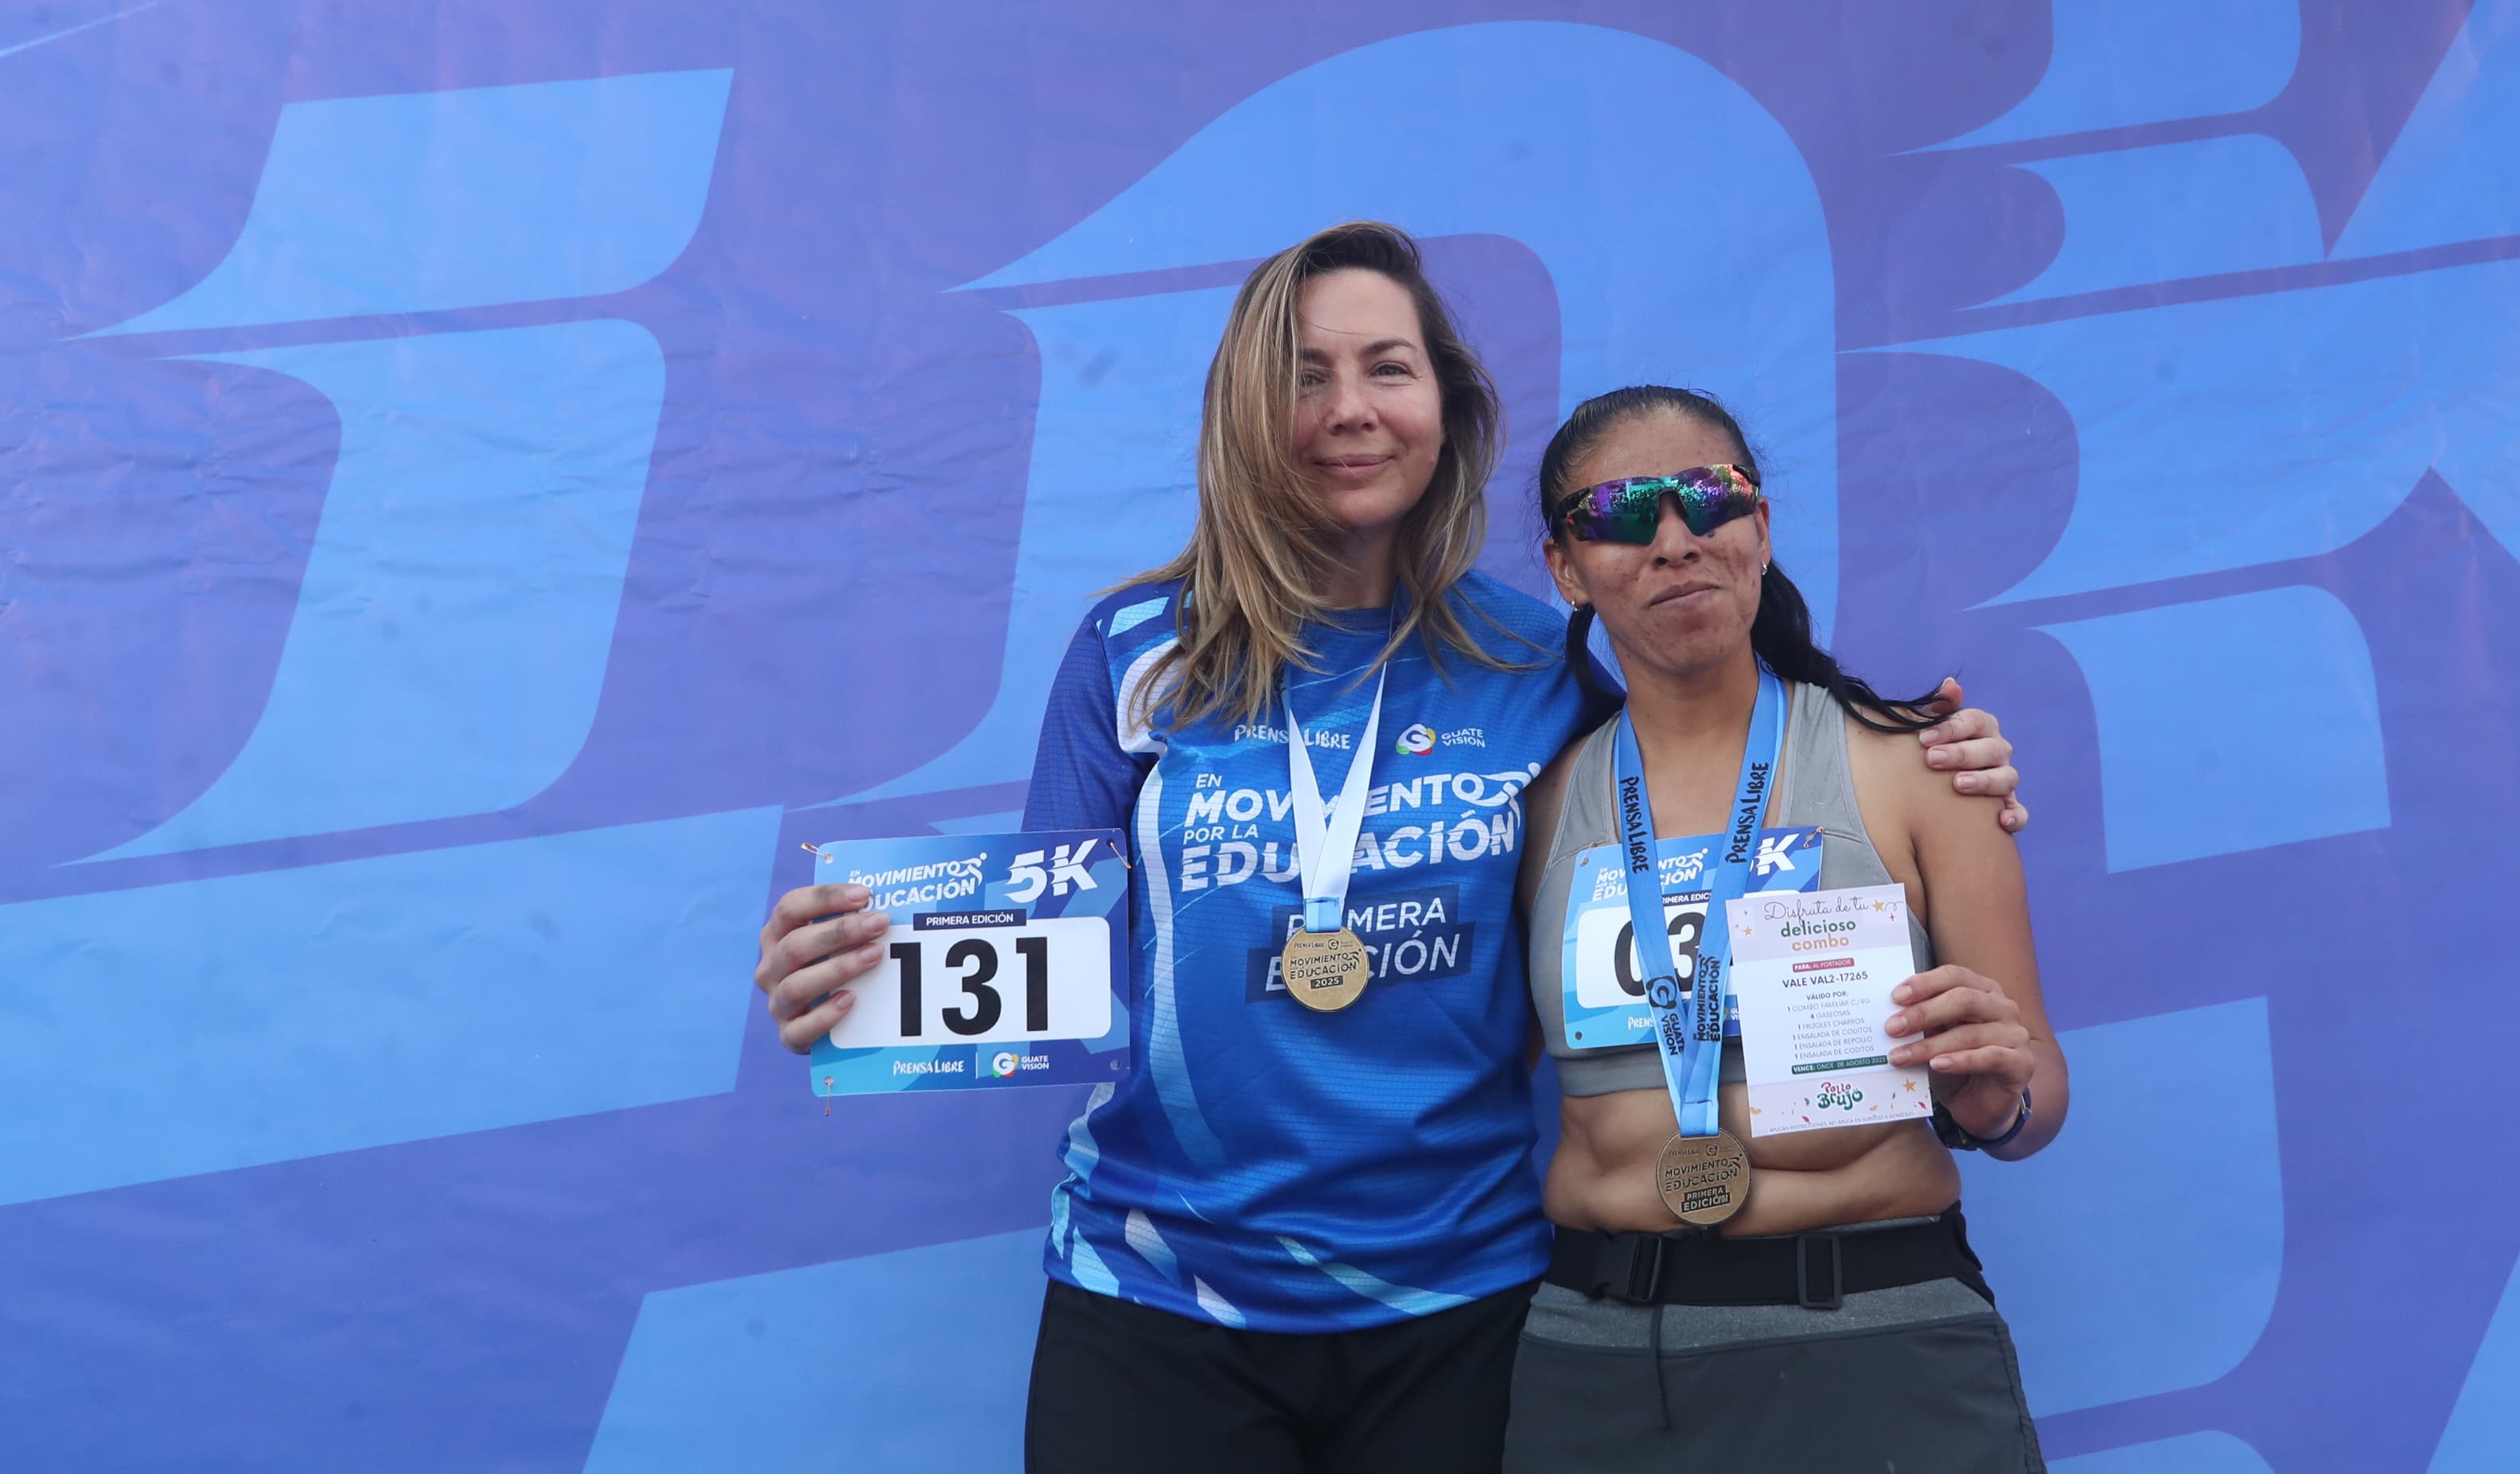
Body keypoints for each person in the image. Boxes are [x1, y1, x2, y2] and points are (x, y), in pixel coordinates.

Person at [750, 221, 2028, 1474]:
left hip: (1457, 1302)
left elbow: (1714, 761)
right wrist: (858, 981)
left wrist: (1941, 760)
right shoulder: (1135, 651)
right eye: (1305, 375)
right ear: (1247, 408)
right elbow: (1045, 952)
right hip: (1159, 1289)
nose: (1350, 408)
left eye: (1387, 367)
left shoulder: (1540, 661)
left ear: (1446, 405)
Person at [1509, 383, 2066, 1474]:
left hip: (1879, 1335)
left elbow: (2035, 1088)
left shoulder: (1919, 764)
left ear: (1760, 527)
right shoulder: (1540, 808)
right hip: (1606, 1356)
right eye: (1622, 513)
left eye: (1708, 498)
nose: (1675, 539)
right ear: (1567, 566)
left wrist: (1997, 1101)